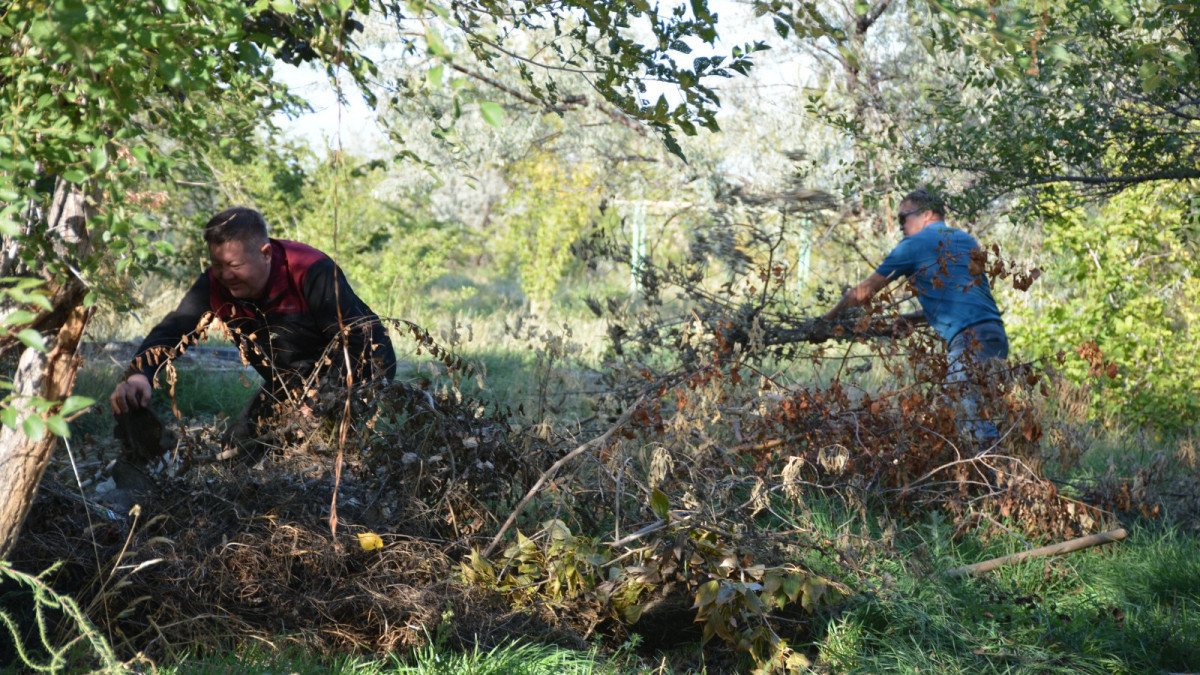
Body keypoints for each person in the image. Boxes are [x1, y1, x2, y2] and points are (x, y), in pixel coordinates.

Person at [109, 207, 397, 454]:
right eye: (217, 264)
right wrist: (139, 374)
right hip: (289, 381)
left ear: (266, 253)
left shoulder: (311, 270)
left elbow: (359, 346)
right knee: (235, 453)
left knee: (316, 454)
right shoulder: (214, 284)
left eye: (234, 265)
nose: (225, 275)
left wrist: (316, 403)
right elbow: (173, 329)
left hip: (359, 370)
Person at [823, 189, 1008, 444]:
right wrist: (912, 318)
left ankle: (1005, 480)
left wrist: (827, 320)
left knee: (972, 424)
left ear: (927, 215)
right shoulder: (966, 240)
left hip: (968, 341)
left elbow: (865, 291)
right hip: (994, 336)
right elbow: (958, 300)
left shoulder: (913, 244)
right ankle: (987, 478)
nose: (900, 226)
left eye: (903, 218)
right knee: (973, 417)